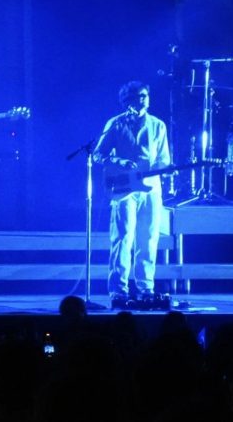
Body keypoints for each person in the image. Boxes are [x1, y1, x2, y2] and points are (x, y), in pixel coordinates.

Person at [92, 81, 171, 308]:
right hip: (124, 189)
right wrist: (120, 162)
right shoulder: (115, 124)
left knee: (148, 239)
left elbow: (164, 159)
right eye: (136, 96)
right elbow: (99, 154)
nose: (142, 100)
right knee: (123, 238)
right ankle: (118, 291)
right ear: (125, 101)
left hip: (151, 188)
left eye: (145, 95)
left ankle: (146, 289)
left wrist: (160, 168)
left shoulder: (158, 125)